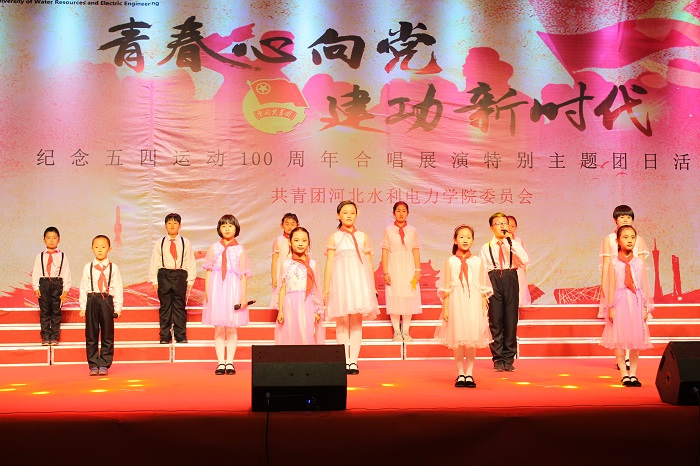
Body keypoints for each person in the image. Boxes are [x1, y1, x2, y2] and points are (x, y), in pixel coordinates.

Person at [323, 200, 379, 375]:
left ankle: (353, 361)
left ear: (357, 214)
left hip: (358, 283)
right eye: (345, 212)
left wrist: (372, 287)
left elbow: (369, 263)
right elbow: (329, 263)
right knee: (341, 321)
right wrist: (326, 287)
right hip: (341, 283)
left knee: (356, 321)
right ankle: (343, 360)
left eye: (352, 212)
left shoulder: (363, 236)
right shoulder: (334, 237)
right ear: (338, 215)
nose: (348, 215)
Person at [435, 225, 492, 388]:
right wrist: (446, 308)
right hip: (456, 301)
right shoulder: (450, 261)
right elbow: (446, 287)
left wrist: (483, 304)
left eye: (468, 237)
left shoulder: (477, 261)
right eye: (461, 237)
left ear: (473, 241)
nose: (465, 240)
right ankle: (460, 373)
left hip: (473, 301)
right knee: (458, 337)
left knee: (472, 338)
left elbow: (482, 285)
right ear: (455, 240)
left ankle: (470, 373)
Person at [600, 225, 653, 387]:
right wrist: (610, 307)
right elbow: (610, 286)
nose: (629, 240)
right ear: (617, 241)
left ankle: (634, 374)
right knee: (619, 338)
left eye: (632, 237)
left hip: (636, 302)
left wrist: (645, 307)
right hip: (619, 302)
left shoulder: (639, 263)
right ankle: (624, 373)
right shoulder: (613, 263)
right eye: (625, 237)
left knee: (636, 338)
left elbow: (643, 285)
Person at [479, 212, 528, 372]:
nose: (502, 226)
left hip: (510, 277)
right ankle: (498, 358)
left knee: (511, 320)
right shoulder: (486, 247)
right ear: (491, 228)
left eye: (504, 223)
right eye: (498, 223)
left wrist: (510, 242)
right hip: (493, 279)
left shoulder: (513, 244)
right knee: (496, 320)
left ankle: (509, 358)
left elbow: (524, 260)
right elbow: (482, 271)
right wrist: (484, 292)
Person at [202, 214, 251, 375]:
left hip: (233, 290)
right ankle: (220, 363)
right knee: (218, 328)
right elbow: (209, 271)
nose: (227, 228)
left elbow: (243, 275)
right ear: (219, 229)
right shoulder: (213, 248)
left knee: (231, 327)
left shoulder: (240, 250)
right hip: (217, 289)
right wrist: (208, 292)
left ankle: (229, 362)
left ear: (236, 228)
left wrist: (243, 296)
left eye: (230, 225)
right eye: (224, 226)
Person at [148, 213, 197, 344]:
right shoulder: (160, 242)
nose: (172, 225)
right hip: (164, 275)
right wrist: (154, 280)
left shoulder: (185, 242)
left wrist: (191, 279)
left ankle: (180, 335)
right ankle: (165, 335)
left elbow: (190, 260)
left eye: (175, 223)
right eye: (169, 223)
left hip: (180, 275)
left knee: (179, 306)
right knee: (165, 307)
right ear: (165, 226)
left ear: (179, 225)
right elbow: (155, 261)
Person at [79, 235, 123, 376]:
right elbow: (83, 287)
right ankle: (93, 364)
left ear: (109, 249)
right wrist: (83, 307)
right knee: (91, 334)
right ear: (92, 249)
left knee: (107, 334)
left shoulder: (113, 268)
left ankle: (104, 363)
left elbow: (118, 287)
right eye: (96, 247)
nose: (100, 250)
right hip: (92, 299)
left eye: (103, 247)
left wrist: (118, 308)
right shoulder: (88, 267)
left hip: (106, 301)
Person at [275, 227, 325, 345]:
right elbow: (283, 288)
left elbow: (316, 288)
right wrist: (280, 311)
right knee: (291, 333)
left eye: (304, 240)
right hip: (290, 304)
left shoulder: (312, 264)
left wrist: (317, 310)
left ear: (308, 242)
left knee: (306, 333)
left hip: (307, 303)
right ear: (290, 242)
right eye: (296, 240)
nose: (300, 243)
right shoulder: (286, 264)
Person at [381, 202, 422, 341]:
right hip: (394, 267)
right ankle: (397, 332)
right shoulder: (388, 230)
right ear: (393, 213)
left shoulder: (412, 230)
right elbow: (385, 251)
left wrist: (417, 270)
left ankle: (406, 331)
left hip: (409, 267)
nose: (401, 213)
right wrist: (386, 272)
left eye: (404, 211)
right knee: (394, 296)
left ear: (408, 213)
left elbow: (415, 250)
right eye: (398, 211)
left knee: (408, 296)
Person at [32, 227, 72, 346]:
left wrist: (65, 291)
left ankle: (54, 337)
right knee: (44, 311)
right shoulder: (40, 256)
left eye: (54, 238)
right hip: (44, 283)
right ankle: (45, 337)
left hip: (57, 283)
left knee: (56, 311)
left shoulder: (63, 256)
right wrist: (36, 287)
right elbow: (36, 272)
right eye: (48, 238)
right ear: (44, 240)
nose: (51, 240)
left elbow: (66, 273)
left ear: (59, 240)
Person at [270, 213, 299, 309]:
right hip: (281, 272)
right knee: (281, 292)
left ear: (297, 225)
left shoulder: (300, 240)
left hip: (295, 270)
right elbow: (274, 260)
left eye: (293, 224)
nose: (290, 226)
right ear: (282, 225)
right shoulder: (278, 240)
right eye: (287, 224)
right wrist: (274, 277)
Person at [507, 215, 531, 307]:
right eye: (508, 225)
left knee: (520, 291)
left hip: (518, 270)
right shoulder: (499, 241)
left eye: (512, 226)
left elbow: (525, 259)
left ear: (516, 227)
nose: (510, 228)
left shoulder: (519, 241)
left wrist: (523, 272)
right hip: (506, 271)